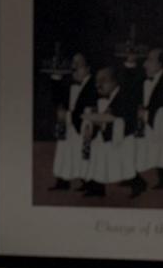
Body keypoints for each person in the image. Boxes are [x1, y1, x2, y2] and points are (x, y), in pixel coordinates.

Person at [81, 66, 133, 198]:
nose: (98, 84)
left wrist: (91, 117)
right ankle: (96, 188)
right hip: (103, 134)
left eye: (103, 80)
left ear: (115, 82)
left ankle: (138, 183)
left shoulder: (123, 96)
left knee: (121, 162)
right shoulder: (100, 97)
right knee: (97, 158)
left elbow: (115, 117)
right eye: (97, 81)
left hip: (121, 137)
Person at [130, 47, 163, 197]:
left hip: (161, 124)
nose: (145, 64)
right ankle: (134, 178)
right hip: (147, 123)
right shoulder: (143, 81)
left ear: (161, 64)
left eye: (150, 60)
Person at [49, 53, 92, 190]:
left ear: (88, 68)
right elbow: (58, 99)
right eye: (73, 64)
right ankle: (63, 181)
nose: (74, 67)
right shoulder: (69, 83)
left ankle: (87, 181)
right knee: (64, 151)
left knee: (83, 152)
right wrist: (56, 78)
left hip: (83, 123)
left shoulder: (92, 84)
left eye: (79, 64)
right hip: (68, 122)